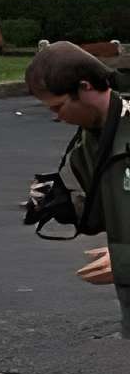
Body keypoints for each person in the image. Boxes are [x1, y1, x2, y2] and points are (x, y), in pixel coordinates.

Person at [25, 41, 130, 331]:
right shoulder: (92, 137)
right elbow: (100, 197)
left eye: (59, 106)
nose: (57, 117)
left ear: (84, 87)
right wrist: (59, 199)